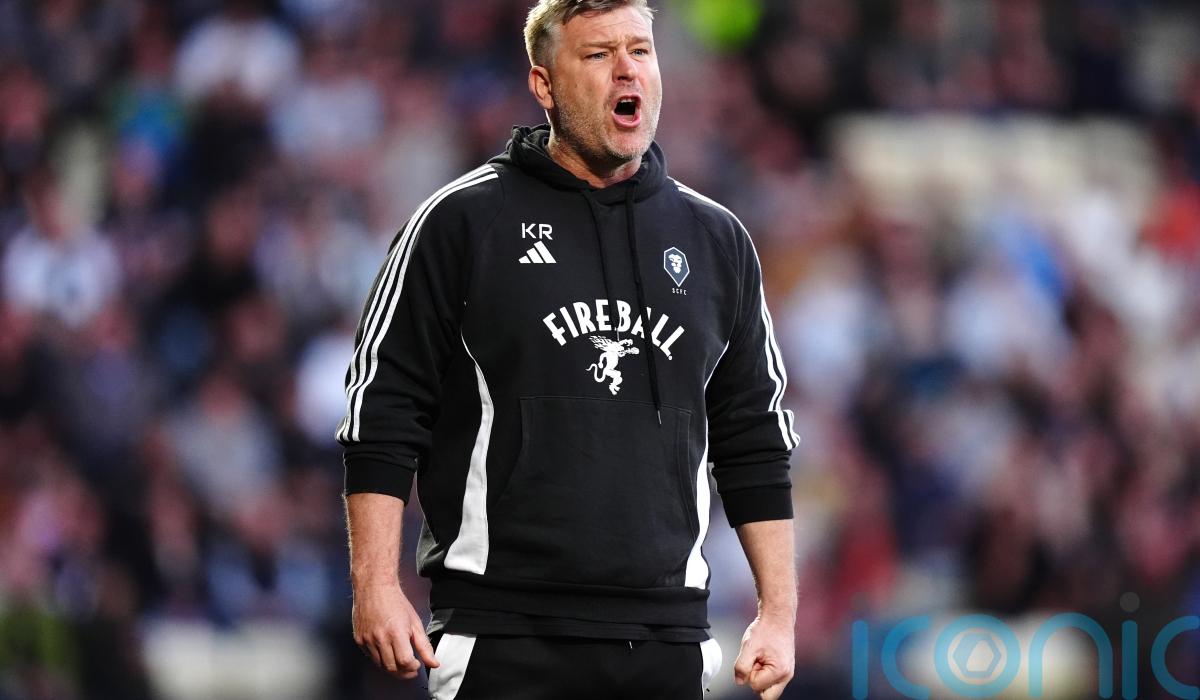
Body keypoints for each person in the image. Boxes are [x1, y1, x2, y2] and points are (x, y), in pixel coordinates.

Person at [337, 1, 800, 697]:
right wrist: (375, 584)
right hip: (503, 632)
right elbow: (382, 412)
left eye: (640, 50)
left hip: (667, 638)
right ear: (544, 84)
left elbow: (754, 438)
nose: (627, 71)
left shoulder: (717, 240)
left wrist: (778, 613)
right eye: (598, 54)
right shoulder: (460, 223)